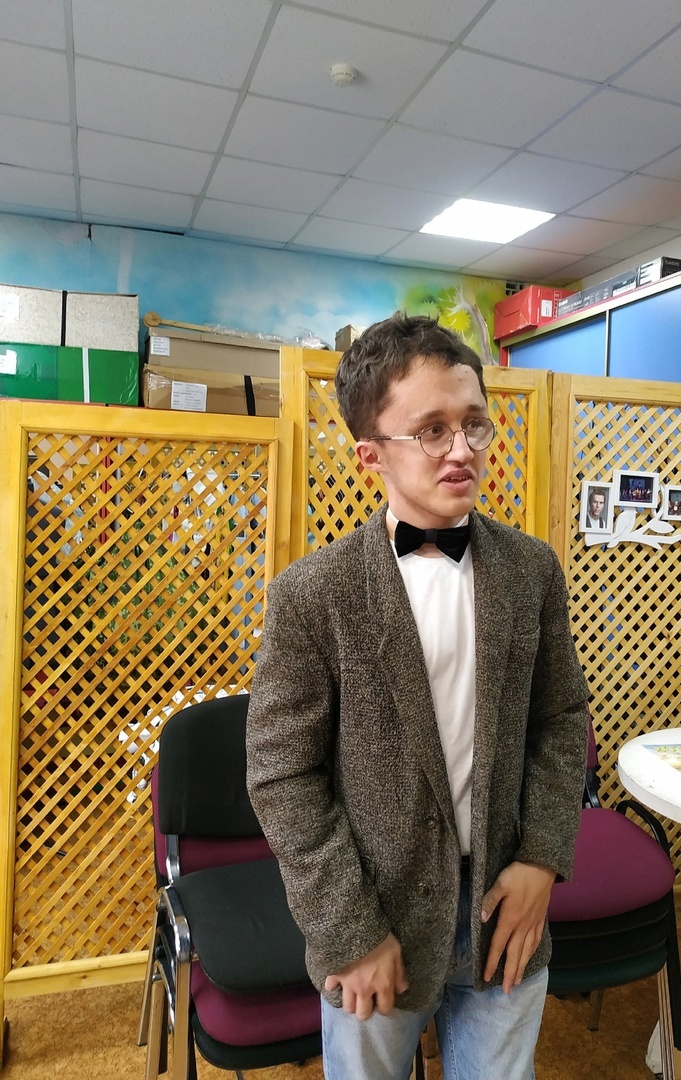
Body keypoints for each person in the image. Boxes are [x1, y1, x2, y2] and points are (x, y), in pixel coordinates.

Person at [246, 313, 589, 1080]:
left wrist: (542, 858)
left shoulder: (532, 570)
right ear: (371, 454)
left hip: (505, 910)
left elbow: (561, 722)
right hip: (376, 920)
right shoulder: (314, 594)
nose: (462, 449)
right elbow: (281, 776)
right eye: (431, 430)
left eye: (473, 423)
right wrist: (349, 932)